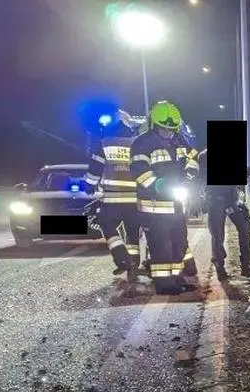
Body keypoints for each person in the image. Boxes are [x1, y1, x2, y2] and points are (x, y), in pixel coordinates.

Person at [129, 100, 201, 295]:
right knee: (162, 247)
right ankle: (164, 284)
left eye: (172, 129)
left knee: (179, 243)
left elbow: (193, 156)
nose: (168, 133)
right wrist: (158, 185)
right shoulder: (142, 143)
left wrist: (190, 170)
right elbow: (138, 171)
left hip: (175, 205)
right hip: (153, 207)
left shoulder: (179, 140)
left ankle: (177, 279)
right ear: (154, 125)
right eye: (164, 129)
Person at [83, 108, 141, 281]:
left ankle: (122, 258)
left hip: (112, 198)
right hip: (135, 198)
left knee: (106, 224)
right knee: (132, 232)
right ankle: (133, 265)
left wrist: (89, 186)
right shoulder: (137, 143)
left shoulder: (104, 143)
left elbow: (95, 168)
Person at [204, 153, 250, 281]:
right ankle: (220, 267)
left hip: (232, 200)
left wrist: (249, 171)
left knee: (245, 227)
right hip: (216, 201)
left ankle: (246, 266)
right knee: (218, 235)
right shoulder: (204, 156)